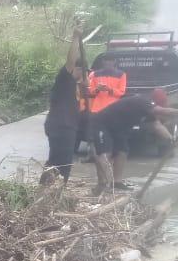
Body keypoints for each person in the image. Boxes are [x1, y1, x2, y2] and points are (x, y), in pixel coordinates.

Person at [91, 93, 178, 193]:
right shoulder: (143, 102)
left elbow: (157, 126)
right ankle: (105, 183)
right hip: (102, 123)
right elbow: (163, 111)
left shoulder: (151, 114)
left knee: (122, 151)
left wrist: (170, 140)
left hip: (119, 127)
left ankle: (117, 182)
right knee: (105, 153)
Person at [41, 26, 85, 185]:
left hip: (66, 126)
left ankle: (48, 191)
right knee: (61, 163)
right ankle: (51, 192)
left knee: (59, 161)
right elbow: (70, 60)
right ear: (77, 69)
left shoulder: (74, 85)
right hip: (61, 126)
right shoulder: (65, 79)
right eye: (83, 70)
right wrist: (75, 38)